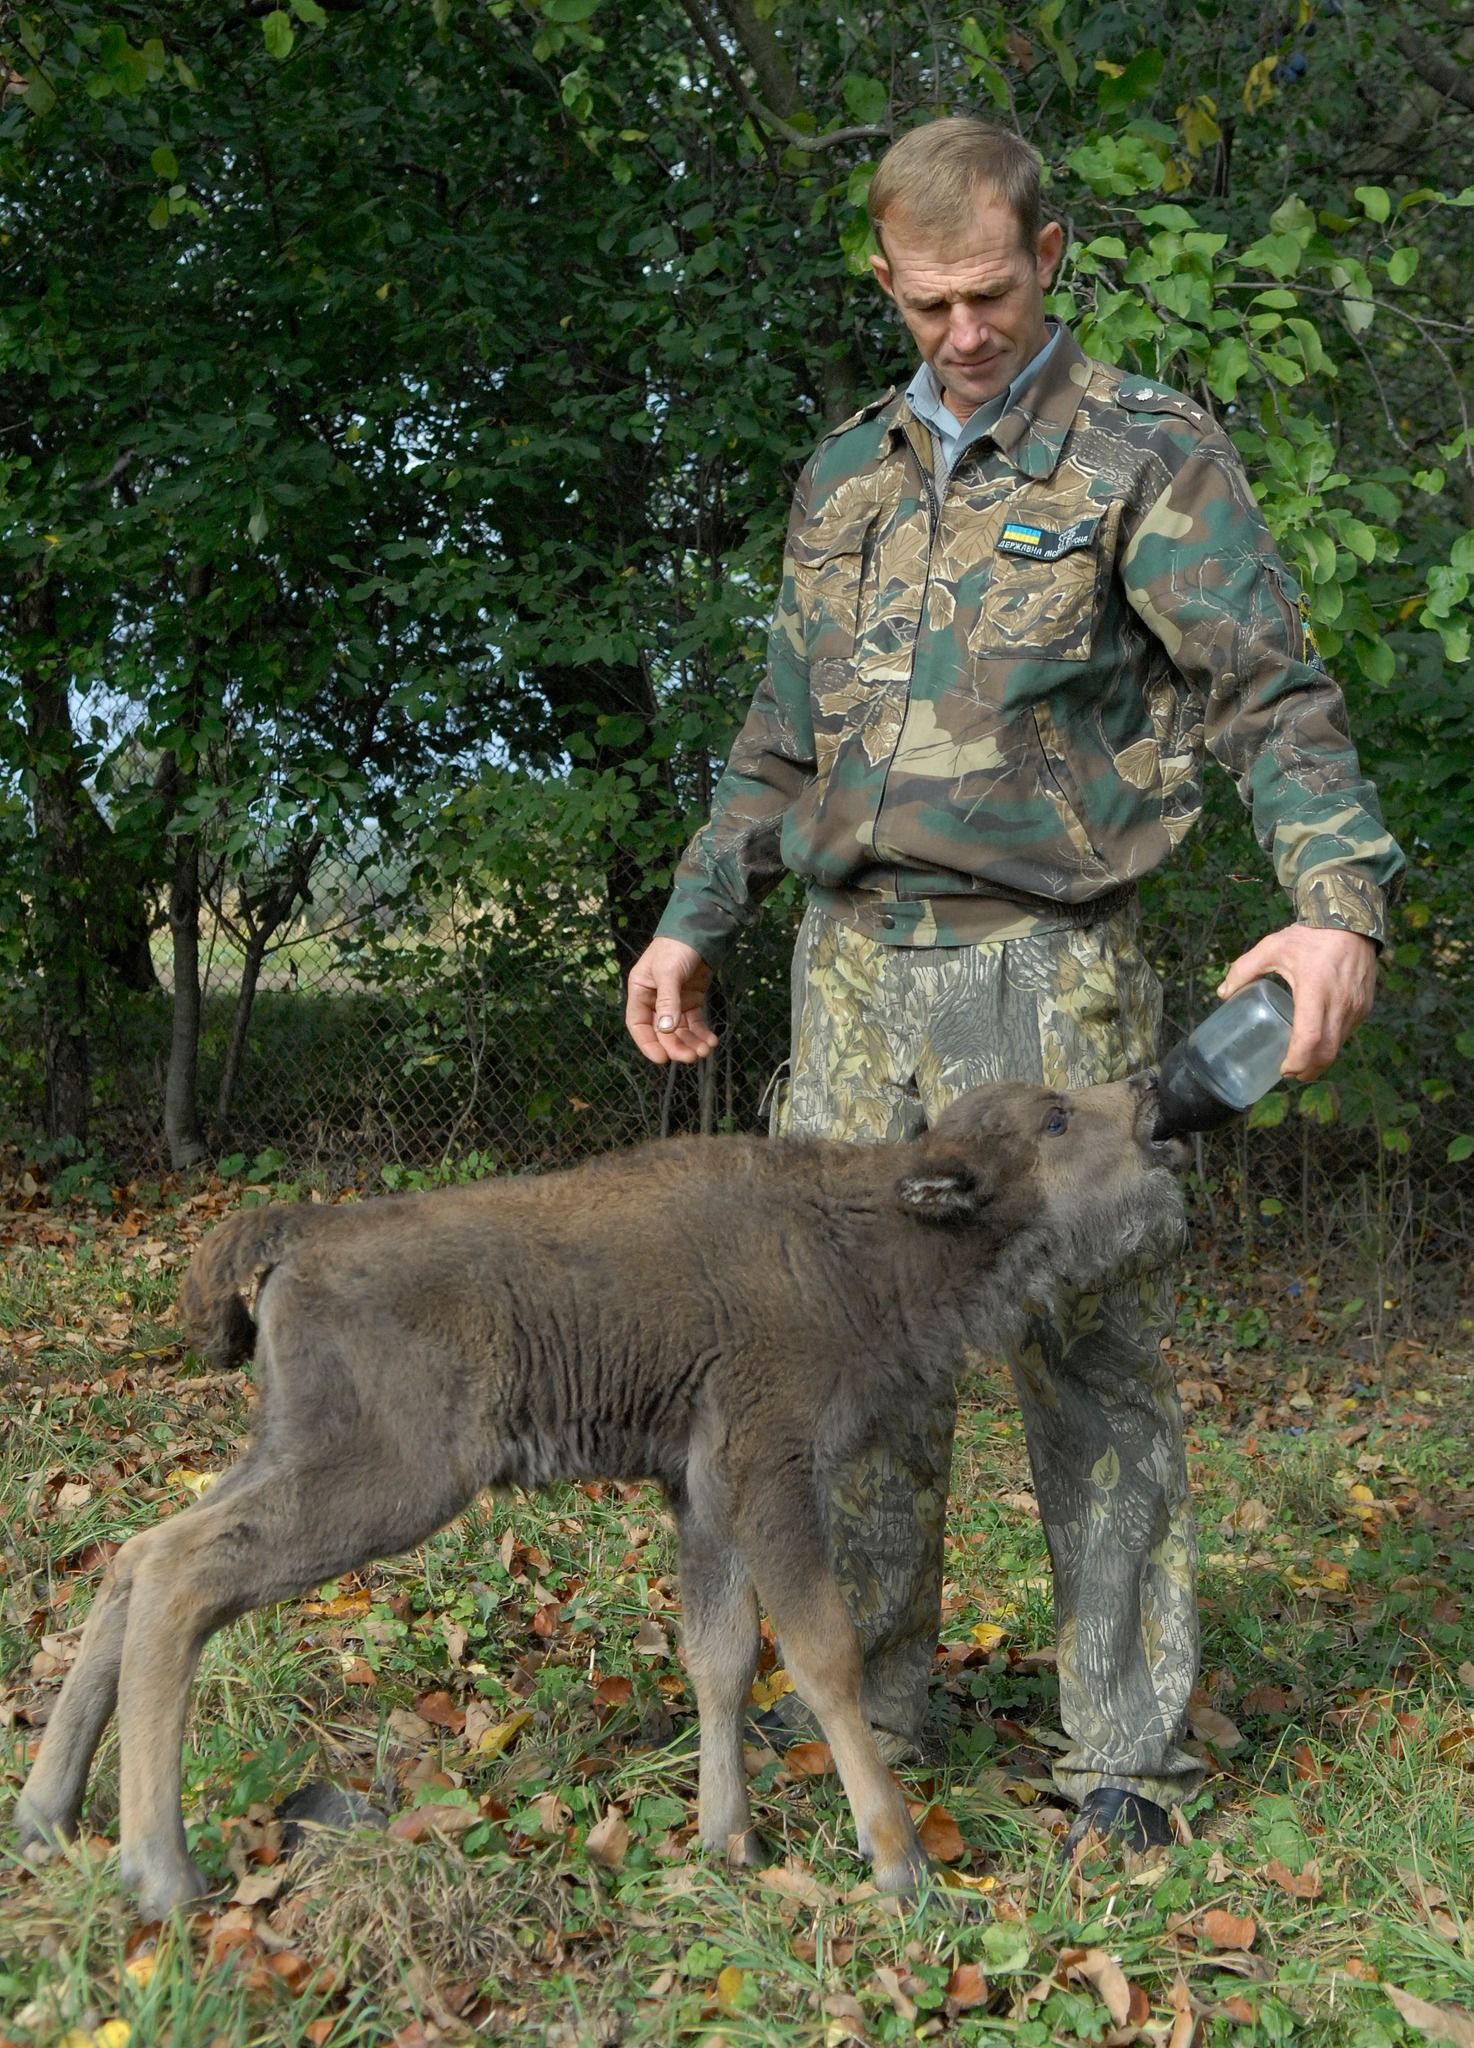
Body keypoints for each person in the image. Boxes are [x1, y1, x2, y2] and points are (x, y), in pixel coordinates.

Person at [624, 118, 1404, 1855]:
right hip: (850, 990)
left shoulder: (1143, 457)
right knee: (846, 1368)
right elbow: (776, 740)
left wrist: (1331, 905)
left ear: (1049, 255)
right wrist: (692, 917)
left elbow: (1271, 695)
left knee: (1083, 1361)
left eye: (988, 291)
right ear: (885, 285)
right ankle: (871, 1712)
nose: (961, 331)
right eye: (925, 304)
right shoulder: (842, 476)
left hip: (1043, 981)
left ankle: (1122, 1757)